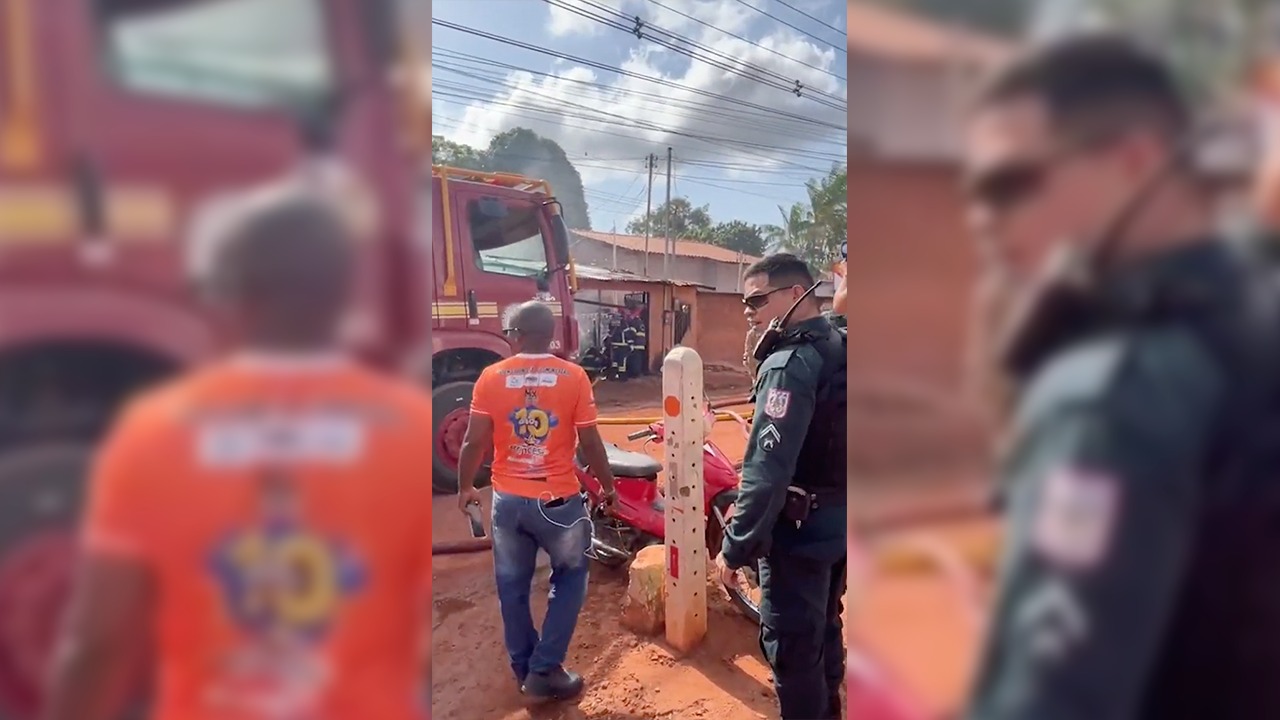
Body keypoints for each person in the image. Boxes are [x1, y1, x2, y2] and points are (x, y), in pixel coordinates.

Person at [962, 35, 1280, 720]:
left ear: (1134, 162)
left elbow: (1051, 697)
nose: (984, 219)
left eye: (1012, 184)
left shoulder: (1113, 391)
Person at [44, 188, 436, 720]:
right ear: (343, 296)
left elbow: (98, 641)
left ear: (232, 294)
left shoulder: (153, 430)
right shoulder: (408, 426)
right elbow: (420, 635)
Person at [455, 302, 618, 702]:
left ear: (519, 334)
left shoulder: (491, 377)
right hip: (558, 502)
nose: (507, 337)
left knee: (511, 587)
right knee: (571, 577)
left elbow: (473, 441)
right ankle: (543, 671)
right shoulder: (575, 377)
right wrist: (608, 487)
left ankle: (524, 669)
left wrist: (465, 488)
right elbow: (591, 441)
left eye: (509, 331)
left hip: (507, 502)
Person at [715, 253, 848, 720]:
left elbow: (765, 473)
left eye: (756, 299)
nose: (748, 309)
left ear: (795, 295)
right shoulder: (841, 342)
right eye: (745, 301)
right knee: (826, 628)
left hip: (800, 536)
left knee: (793, 649)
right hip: (841, 525)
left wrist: (733, 551)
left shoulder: (789, 365)